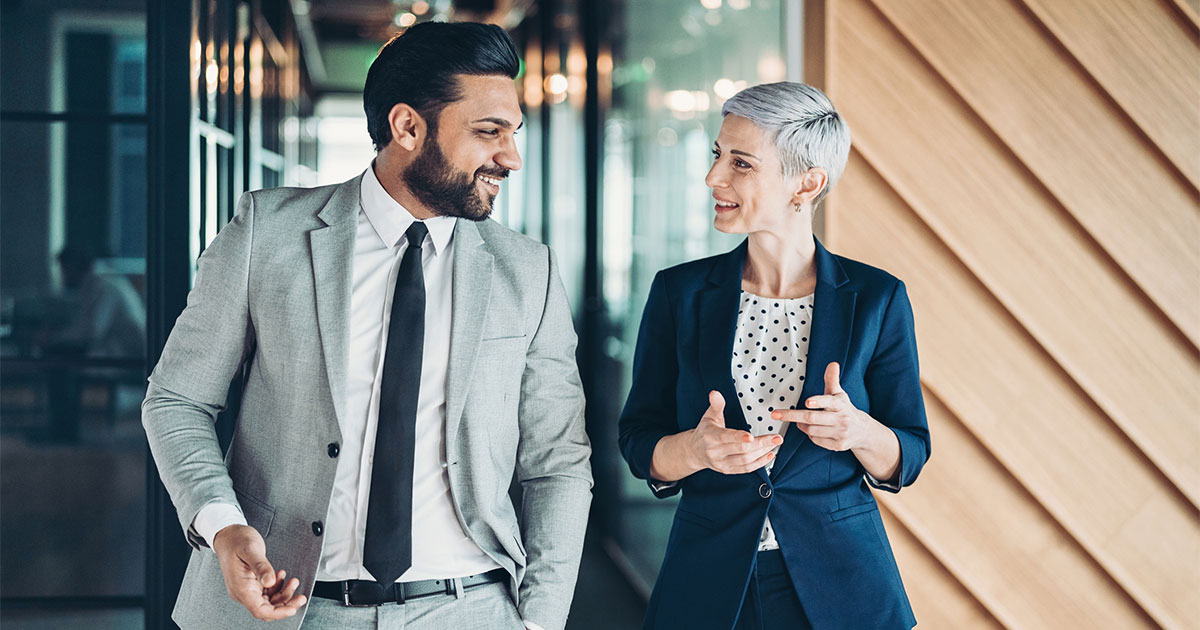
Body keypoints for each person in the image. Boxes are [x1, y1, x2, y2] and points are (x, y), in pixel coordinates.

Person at [143, 22, 592, 630]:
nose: (509, 157)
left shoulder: (527, 270)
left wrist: (540, 619)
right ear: (407, 127)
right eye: (489, 132)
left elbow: (556, 460)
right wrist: (222, 527)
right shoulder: (265, 234)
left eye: (513, 133)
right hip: (288, 608)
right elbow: (177, 399)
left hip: (474, 608)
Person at [618, 82, 930, 630]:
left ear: (806, 183)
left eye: (741, 163)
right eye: (718, 155)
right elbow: (639, 441)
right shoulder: (679, 293)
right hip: (707, 585)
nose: (714, 177)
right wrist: (693, 450)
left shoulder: (878, 298)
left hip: (843, 587)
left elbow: (909, 452)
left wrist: (857, 431)